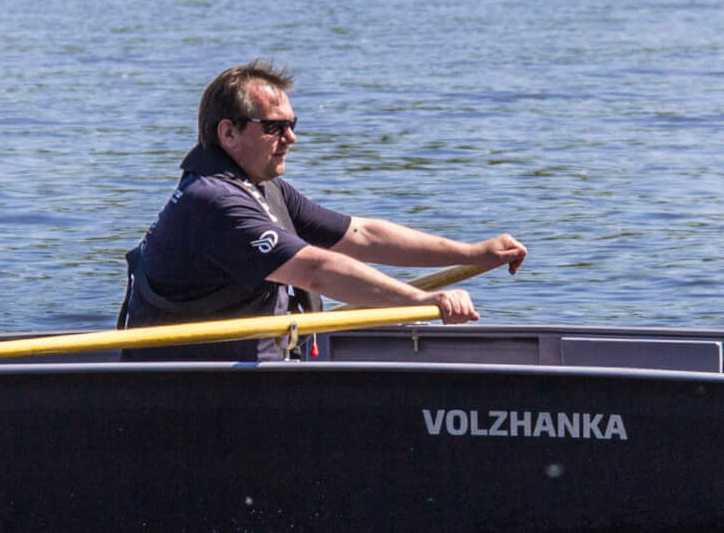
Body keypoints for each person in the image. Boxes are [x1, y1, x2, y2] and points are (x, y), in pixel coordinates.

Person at [122, 60, 528, 360]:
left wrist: (473, 253)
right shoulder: (212, 202)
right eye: (274, 127)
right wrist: (422, 301)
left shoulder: (268, 191)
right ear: (228, 133)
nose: (291, 137)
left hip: (253, 378)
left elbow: (361, 236)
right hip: (187, 389)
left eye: (292, 123)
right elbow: (316, 270)